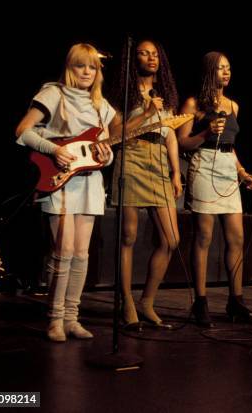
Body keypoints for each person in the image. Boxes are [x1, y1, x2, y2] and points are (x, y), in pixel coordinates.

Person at [15, 43, 115, 342]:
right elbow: (23, 130)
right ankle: (55, 319)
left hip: (89, 182)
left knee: (82, 254)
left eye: (92, 67)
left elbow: (105, 153)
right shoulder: (53, 94)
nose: (87, 72)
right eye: (80, 66)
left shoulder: (101, 106)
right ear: (69, 68)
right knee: (64, 251)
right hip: (59, 180)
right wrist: (55, 149)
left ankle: (72, 317)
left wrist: (106, 155)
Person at [178, 51, 252, 327]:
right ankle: (200, 302)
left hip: (227, 167)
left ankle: (236, 302)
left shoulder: (233, 105)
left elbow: (231, 147)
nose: (226, 73)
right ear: (208, 72)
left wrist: (242, 172)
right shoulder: (194, 103)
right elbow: (182, 142)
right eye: (220, 68)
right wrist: (205, 133)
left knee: (236, 238)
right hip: (203, 164)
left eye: (228, 68)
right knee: (203, 237)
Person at [109, 39, 182, 329]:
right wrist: (146, 113)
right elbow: (114, 134)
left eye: (155, 54)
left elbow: (171, 135)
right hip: (133, 156)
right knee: (128, 236)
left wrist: (176, 172)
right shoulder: (122, 95)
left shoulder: (165, 95)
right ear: (132, 59)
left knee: (171, 238)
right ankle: (125, 301)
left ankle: (147, 301)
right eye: (143, 53)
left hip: (159, 162)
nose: (151, 58)